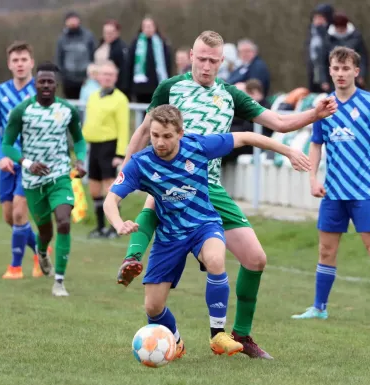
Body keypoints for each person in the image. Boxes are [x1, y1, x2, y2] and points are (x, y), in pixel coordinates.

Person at [115, 30, 337, 359]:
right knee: (157, 198)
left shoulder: (230, 95)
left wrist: (313, 115)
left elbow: (276, 121)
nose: (206, 66)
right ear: (191, 55)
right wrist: (125, 168)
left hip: (210, 188)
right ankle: (133, 257)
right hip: (171, 180)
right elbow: (146, 129)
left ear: (222, 62)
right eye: (201, 58)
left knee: (256, 259)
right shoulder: (170, 88)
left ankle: (241, 335)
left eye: (213, 61)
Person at [103, 104, 311, 359]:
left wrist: (288, 149)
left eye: (167, 136)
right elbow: (110, 199)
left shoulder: (197, 146)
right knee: (153, 307)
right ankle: (175, 342)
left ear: (180, 133)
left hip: (204, 224)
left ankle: (217, 335)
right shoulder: (141, 163)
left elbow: (245, 137)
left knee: (215, 259)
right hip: (169, 236)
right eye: (155, 135)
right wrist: (117, 223)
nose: (160, 142)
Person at [290, 46, 370, 324]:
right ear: (330, 71)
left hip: (363, 191)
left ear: (356, 71)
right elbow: (316, 144)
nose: (341, 74)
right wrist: (313, 177)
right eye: (336, 69)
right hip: (333, 192)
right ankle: (319, 307)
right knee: (326, 250)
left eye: (346, 69)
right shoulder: (324, 106)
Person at [1, 62, 88, 297]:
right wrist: (28, 163)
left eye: (50, 81)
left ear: (56, 84)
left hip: (60, 175)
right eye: (42, 81)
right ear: (36, 84)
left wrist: (80, 160)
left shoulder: (67, 110)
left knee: (63, 222)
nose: (46, 85)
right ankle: (41, 251)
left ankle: (59, 281)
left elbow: (79, 140)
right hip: (32, 181)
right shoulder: (22, 111)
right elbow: (7, 145)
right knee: (45, 231)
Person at [0, 41, 46, 280]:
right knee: (9, 217)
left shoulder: (42, 91)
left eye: (24, 59)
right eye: (15, 60)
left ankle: (15, 268)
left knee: (20, 213)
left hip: (32, 162)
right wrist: (1, 156)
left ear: (31, 62)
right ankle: (40, 250)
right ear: (9, 64)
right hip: (8, 162)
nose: (20, 64)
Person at [82, 60, 130, 238]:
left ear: (115, 77)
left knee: (110, 188)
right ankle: (100, 226)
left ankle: (114, 227)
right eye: (104, 74)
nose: (107, 77)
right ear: (98, 76)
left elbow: (123, 127)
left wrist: (120, 154)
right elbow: (89, 122)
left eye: (111, 74)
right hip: (93, 146)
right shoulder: (93, 96)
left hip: (109, 146)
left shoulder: (120, 99)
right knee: (94, 188)